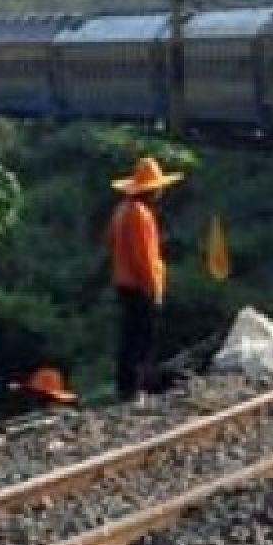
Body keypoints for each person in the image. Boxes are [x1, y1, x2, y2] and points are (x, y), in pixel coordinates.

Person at [107, 156, 183, 402]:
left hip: (123, 282)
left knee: (129, 336)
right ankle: (136, 388)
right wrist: (155, 289)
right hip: (139, 285)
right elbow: (145, 258)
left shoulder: (122, 211)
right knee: (142, 338)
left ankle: (127, 387)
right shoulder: (141, 215)